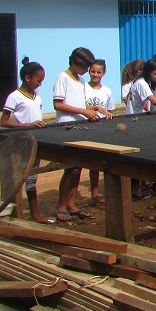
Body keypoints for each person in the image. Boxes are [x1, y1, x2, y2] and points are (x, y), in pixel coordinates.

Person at [53, 47, 99, 222]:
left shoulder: (80, 81)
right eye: (84, 67)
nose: (87, 71)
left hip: (80, 126)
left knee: (77, 167)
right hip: (66, 126)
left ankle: (72, 203)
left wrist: (93, 109)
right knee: (69, 168)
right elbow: (58, 104)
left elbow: (79, 103)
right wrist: (84, 111)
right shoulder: (62, 78)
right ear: (74, 63)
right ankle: (61, 205)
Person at [0, 59, 48, 222]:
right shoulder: (14, 97)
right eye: (38, 80)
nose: (40, 84)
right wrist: (28, 125)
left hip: (37, 139)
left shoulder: (36, 95)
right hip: (22, 141)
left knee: (32, 176)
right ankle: (17, 212)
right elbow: (4, 122)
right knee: (20, 175)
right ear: (27, 78)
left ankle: (34, 213)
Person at [85, 59, 115, 207]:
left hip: (103, 129)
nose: (95, 74)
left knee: (104, 161)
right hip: (87, 127)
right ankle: (94, 194)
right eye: (93, 71)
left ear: (104, 73)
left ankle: (105, 193)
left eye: (98, 72)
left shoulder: (107, 91)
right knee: (92, 162)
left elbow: (110, 111)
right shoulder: (83, 88)